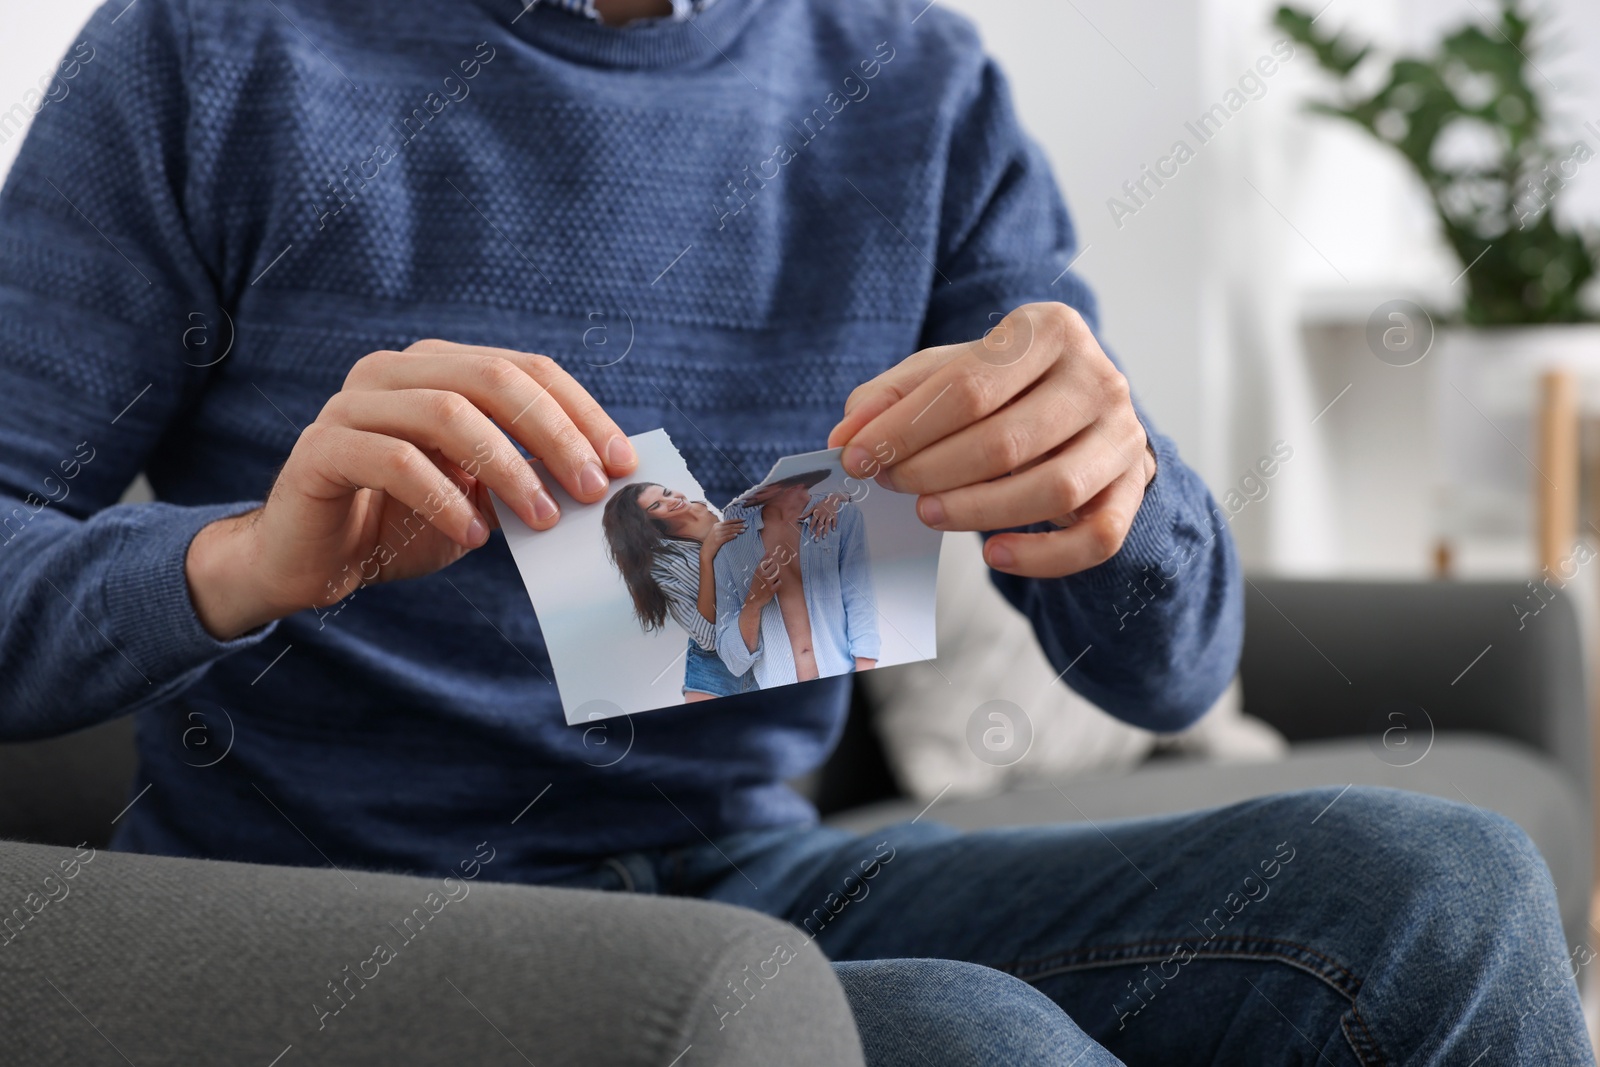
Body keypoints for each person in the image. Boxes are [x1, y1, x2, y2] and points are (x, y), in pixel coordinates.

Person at [0, 0, 1587, 1063]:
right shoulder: (210, 51)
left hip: (747, 865)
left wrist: (1126, 498)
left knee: (1446, 884)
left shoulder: (911, 78)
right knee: (978, 1041)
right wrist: (243, 560)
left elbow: (1174, 680)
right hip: (332, 901)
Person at [714, 470, 878, 687]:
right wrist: (753, 603)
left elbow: (860, 601)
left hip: (840, 679)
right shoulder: (731, 542)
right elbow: (732, 660)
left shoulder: (842, 516)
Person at [601, 481, 754, 701]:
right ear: (646, 523)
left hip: (761, 628)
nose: (673, 500)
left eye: (667, 492)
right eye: (656, 505)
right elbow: (708, 639)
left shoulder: (716, 505)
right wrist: (706, 556)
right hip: (714, 656)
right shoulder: (660, 565)